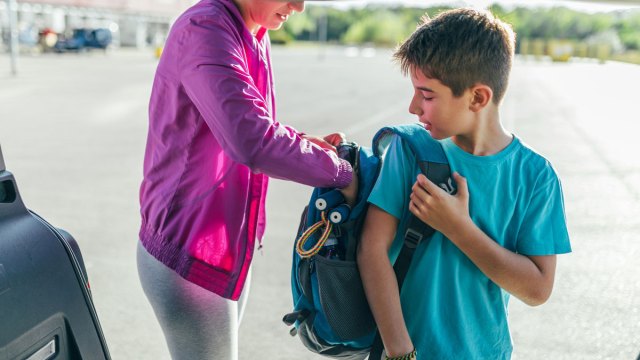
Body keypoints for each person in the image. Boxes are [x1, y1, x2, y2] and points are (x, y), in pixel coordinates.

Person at [136, 0, 357, 359]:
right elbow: (251, 140)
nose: (299, 6)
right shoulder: (206, 29)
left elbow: (245, 123)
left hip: (224, 241)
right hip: (190, 245)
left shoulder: (254, 31)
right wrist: (341, 174)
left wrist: (301, 143)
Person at [357, 8, 571, 360]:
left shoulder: (536, 176)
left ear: (477, 98)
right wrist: (400, 351)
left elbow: (537, 288)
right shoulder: (410, 149)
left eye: (426, 96)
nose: (413, 107)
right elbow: (372, 249)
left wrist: (458, 227)